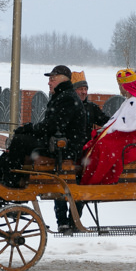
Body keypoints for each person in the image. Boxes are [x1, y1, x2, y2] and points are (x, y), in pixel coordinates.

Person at [0, 65, 85, 188]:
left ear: (64, 80)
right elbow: (50, 126)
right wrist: (28, 129)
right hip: (56, 143)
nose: (49, 83)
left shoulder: (68, 98)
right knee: (20, 138)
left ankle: (10, 181)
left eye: (52, 79)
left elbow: (53, 126)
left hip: (63, 148)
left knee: (21, 140)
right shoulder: (62, 96)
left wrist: (30, 128)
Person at [79, 68, 136, 186]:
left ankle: (96, 179)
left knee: (103, 147)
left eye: (120, 84)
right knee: (98, 141)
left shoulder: (135, 102)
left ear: (125, 86)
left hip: (135, 138)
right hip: (129, 136)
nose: (119, 87)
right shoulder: (131, 100)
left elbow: (129, 126)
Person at [53, 71, 110, 231]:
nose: (84, 92)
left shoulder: (91, 108)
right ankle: (62, 222)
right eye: (80, 89)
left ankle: (74, 222)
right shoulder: (66, 104)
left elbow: (106, 122)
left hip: (84, 157)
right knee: (61, 188)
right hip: (66, 155)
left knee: (80, 190)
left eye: (85, 89)